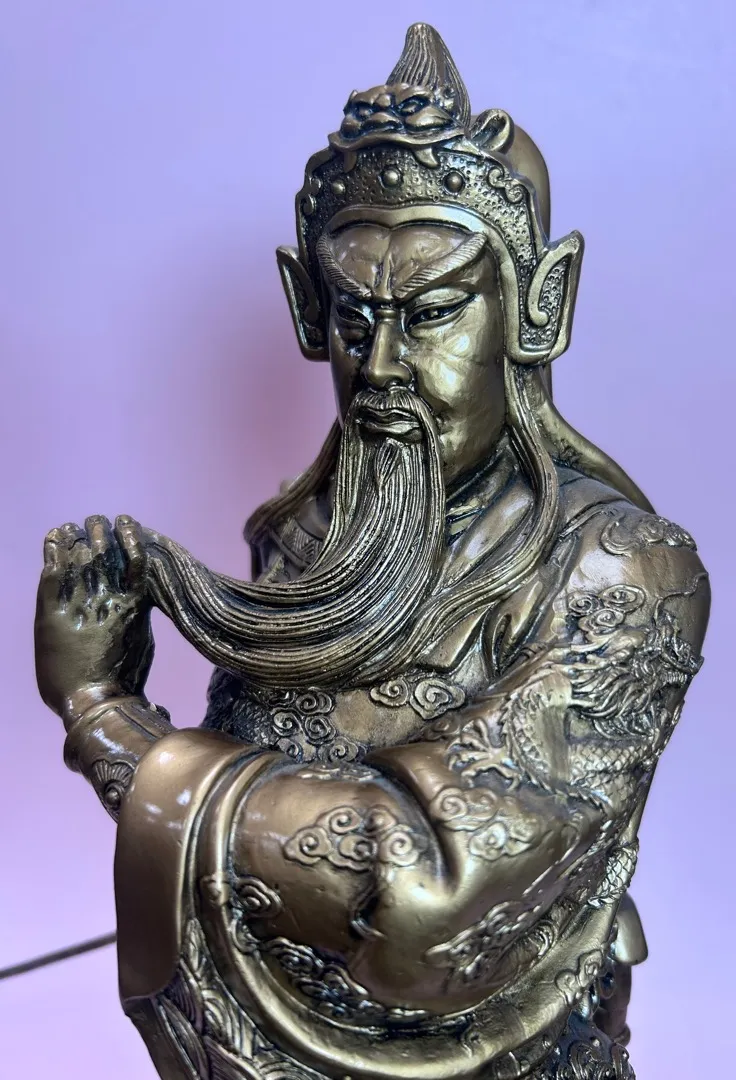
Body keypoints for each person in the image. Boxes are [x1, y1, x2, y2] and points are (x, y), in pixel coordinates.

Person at [34, 23, 709, 1080]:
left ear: (538, 305)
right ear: (309, 312)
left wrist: (104, 719)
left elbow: (415, 895)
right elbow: (253, 852)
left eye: (432, 312)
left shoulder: (623, 573)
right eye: (354, 318)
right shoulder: (304, 548)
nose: (382, 364)